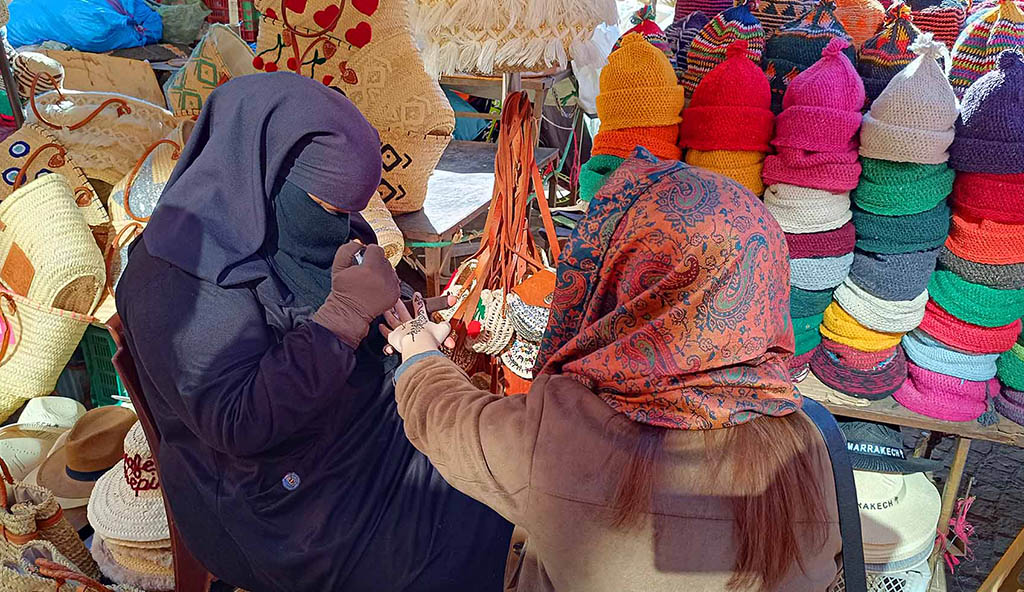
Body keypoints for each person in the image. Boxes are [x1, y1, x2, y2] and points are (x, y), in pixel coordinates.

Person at [115, 73, 513, 591]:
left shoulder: (290, 218)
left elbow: (330, 302)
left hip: (345, 441)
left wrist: (401, 323)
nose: (340, 224)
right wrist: (345, 315)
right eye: (329, 207)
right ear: (264, 172)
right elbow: (241, 424)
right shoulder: (173, 280)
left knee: (488, 477)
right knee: (450, 528)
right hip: (274, 503)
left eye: (351, 210)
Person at [384, 147, 843, 591]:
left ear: (620, 272)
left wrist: (420, 355)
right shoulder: (805, 437)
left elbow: (451, 426)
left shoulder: (568, 433)